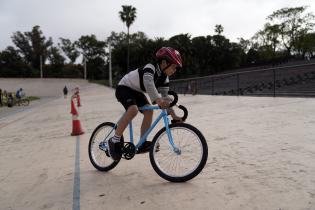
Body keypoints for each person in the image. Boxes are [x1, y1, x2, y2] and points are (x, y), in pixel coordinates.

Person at [108, 47, 183, 160]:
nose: (175, 70)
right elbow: (148, 84)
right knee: (133, 110)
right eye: (173, 67)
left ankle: (142, 142)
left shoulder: (165, 78)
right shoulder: (150, 68)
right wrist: (157, 100)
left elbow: (165, 98)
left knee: (149, 111)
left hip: (136, 91)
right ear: (164, 63)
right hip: (124, 88)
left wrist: (173, 115)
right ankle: (115, 140)